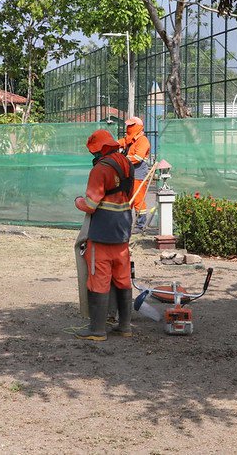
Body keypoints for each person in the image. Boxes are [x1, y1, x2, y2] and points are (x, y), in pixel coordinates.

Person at [73, 129, 135, 340]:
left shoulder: (100, 169)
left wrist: (78, 201)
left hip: (102, 232)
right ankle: (125, 326)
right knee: (123, 277)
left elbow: (91, 205)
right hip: (123, 229)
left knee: (98, 278)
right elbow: (127, 194)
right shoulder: (126, 163)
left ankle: (97, 329)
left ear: (99, 150)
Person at [117, 116, 151, 232]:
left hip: (138, 173)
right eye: (128, 125)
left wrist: (122, 159)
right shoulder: (129, 139)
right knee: (128, 198)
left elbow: (137, 158)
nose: (128, 128)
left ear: (138, 127)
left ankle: (140, 225)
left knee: (138, 199)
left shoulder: (142, 140)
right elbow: (118, 143)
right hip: (129, 173)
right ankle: (126, 222)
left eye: (131, 125)